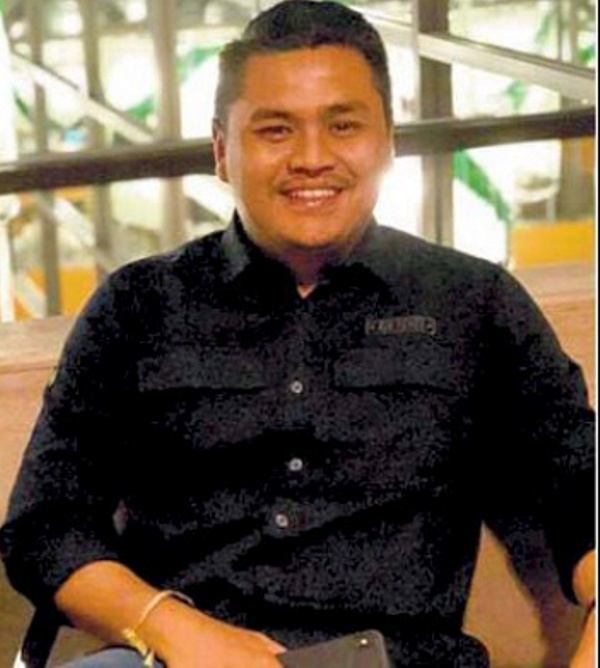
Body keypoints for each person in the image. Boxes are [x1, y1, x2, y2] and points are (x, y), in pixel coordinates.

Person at [0, 1, 595, 666]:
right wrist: (170, 627)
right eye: (275, 131)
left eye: (343, 126)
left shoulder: (474, 302)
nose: (312, 158)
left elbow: (578, 478)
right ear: (222, 151)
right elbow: (44, 528)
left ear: (388, 142)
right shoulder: (137, 305)